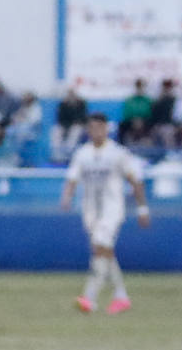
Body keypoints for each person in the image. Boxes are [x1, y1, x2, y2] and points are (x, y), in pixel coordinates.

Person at [61, 112, 151, 314]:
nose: (96, 132)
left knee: (102, 245)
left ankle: (89, 297)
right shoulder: (82, 153)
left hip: (112, 208)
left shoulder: (118, 153)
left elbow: (135, 179)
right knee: (102, 251)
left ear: (106, 129)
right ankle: (121, 296)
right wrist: (67, 197)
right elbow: (72, 178)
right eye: (92, 128)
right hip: (90, 209)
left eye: (99, 128)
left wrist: (142, 208)